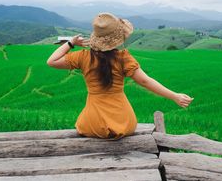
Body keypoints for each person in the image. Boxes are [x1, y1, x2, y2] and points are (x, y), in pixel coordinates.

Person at [47, 12, 193, 139]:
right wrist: (175, 96)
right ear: (118, 37)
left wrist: (70, 43)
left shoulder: (83, 57)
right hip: (123, 123)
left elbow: (52, 61)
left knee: (86, 123)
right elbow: (145, 81)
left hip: (93, 124)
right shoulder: (123, 58)